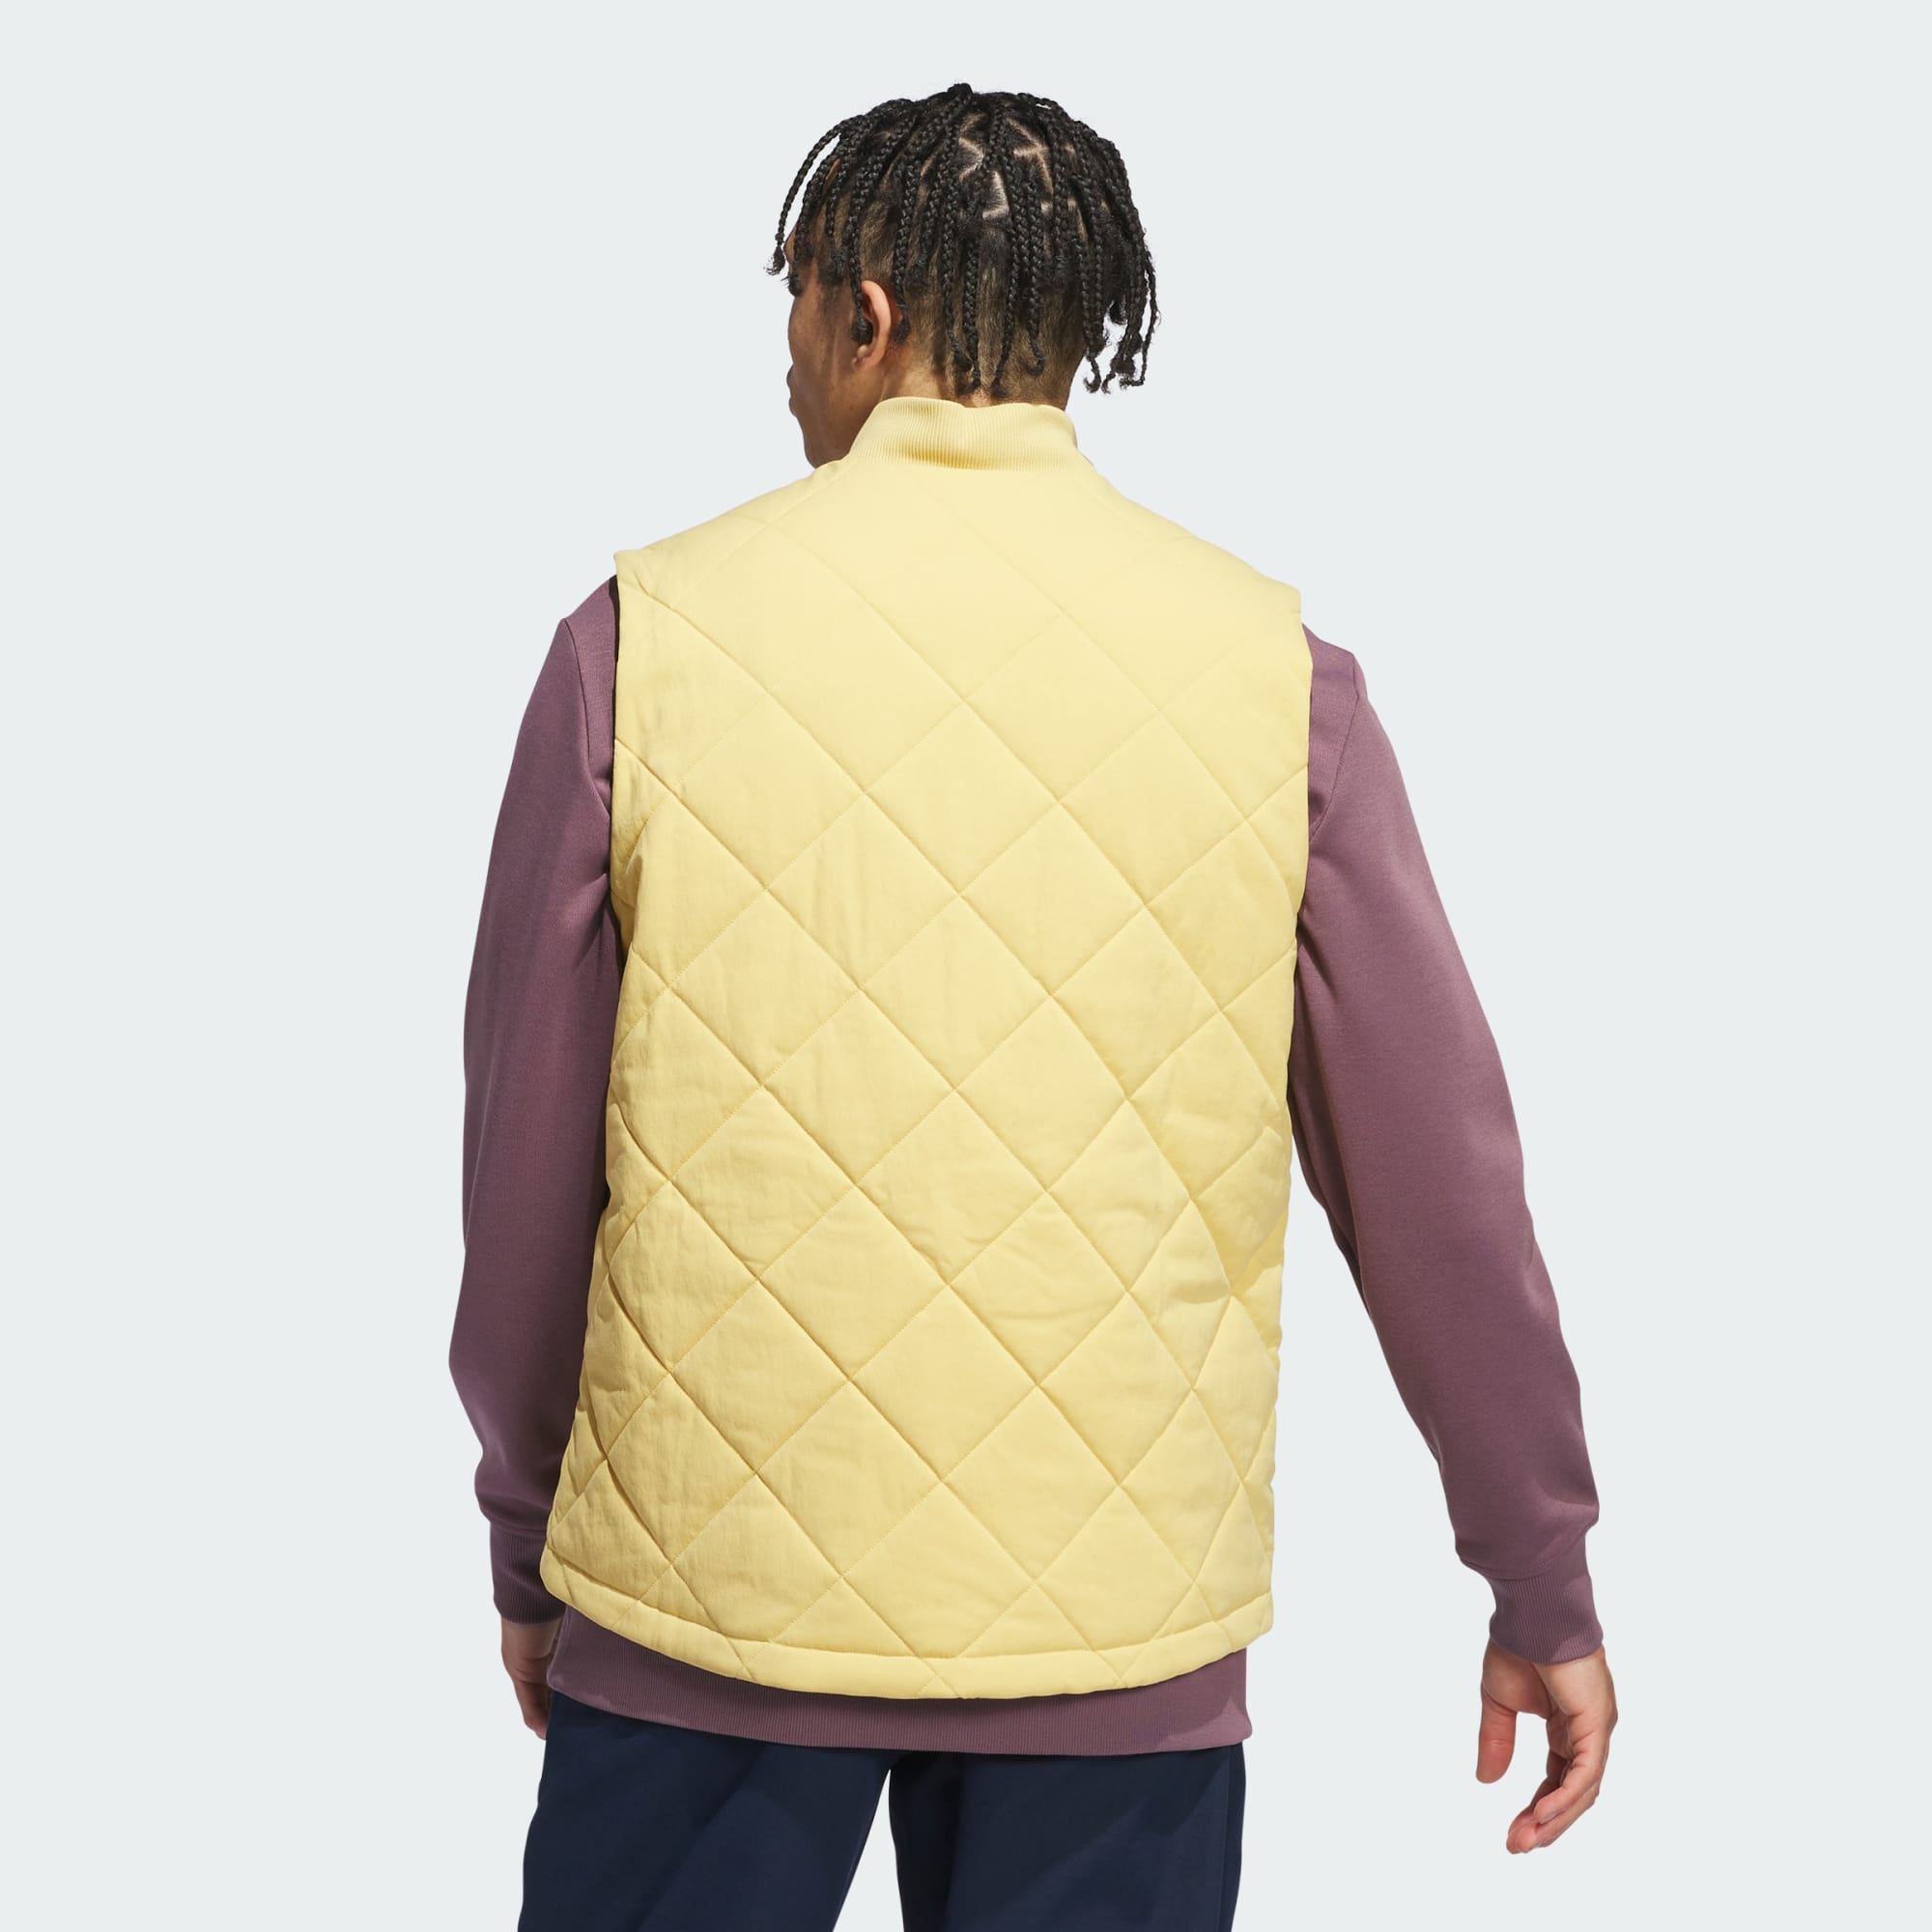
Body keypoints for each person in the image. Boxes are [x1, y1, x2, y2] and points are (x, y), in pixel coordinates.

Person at [450, 81, 1617, 1932]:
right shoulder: (1277, 680)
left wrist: (529, 1537)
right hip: (1115, 1638)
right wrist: (1537, 1573)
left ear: (865, 318)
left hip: (704, 1618)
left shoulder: (636, 646)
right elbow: (1441, 1190)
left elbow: (521, 1165)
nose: (784, 367)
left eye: (792, 312)